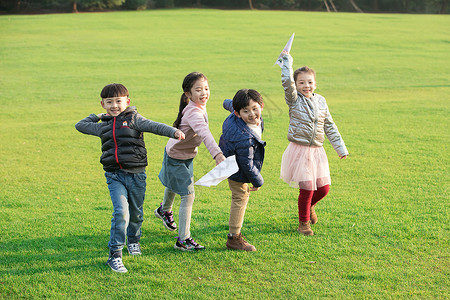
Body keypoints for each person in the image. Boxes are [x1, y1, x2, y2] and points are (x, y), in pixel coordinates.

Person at [75, 83, 185, 273]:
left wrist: (173, 132)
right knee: (121, 213)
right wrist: (99, 116)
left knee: (136, 213)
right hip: (114, 175)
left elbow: (154, 126)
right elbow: (80, 125)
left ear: (128, 101)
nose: (114, 106)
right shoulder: (103, 126)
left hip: (136, 176)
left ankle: (133, 240)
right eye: (109, 103)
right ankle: (115, 254)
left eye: (118, 101)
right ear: (103, 104)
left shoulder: (134, 119)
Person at [154, 72, 226, 251]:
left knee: (174, 183)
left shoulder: (198, 105)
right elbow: (205, 133)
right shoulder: (194, 111)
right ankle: (183, 240)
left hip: (182, 154)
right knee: (188, 195)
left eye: (206, 88)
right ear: (188, 94)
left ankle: (164, 210)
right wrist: (217, 155)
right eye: (198, 90)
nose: (204, 93)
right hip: (176, 156)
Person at [279, 51, 348, 236]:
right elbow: (287, 83)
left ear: (315, 84)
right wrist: (287, 61)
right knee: (307, 187)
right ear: (296, 85)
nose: (306, 86)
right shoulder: (294, 100)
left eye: (309, 82)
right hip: (300, 151)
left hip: (317, 151)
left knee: (323, 189)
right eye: (301, 82)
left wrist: (340, 147)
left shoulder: (321, 101)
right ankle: (304, 223)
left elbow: (329, 125)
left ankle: (309, 208)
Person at [219, 89, 265, 252]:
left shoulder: (237, 110)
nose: (252, 114)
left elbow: (229, 104)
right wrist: (258, 180)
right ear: (238, 114)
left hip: (231, 157)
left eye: (255, 108)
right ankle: (234, 238)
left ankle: (234, 232)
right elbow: (246, 163)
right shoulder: (244, 137)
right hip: (235, 166)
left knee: (240, 195)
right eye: (246, 111)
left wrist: (227, 102)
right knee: (240, 196)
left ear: (262, 106)